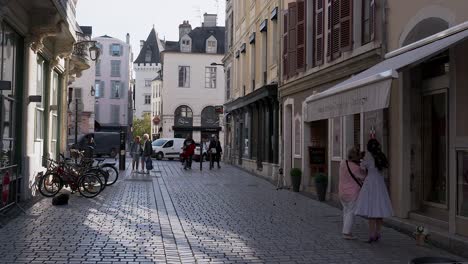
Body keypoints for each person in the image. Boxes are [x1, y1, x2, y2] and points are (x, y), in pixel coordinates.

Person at [355, 139, 393, 243]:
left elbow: (362, 168)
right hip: (380, 182)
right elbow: (385, 168)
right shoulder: (381, 156)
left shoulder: (367, 156)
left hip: (370, 182)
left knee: (371, 209)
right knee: (379, 208)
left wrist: (362, 161)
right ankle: (377, 233)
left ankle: (371, 234)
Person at [339, 147, 367, 240]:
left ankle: (346, 230)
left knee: (346, 211)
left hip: (342, 192)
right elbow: (363, 176)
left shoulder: (343, 163)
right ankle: (346, 233)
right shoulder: (356, 167)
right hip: (352, 193)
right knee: (351, 212)